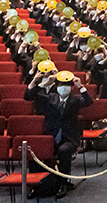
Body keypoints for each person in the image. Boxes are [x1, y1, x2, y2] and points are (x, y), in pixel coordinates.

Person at [24, 71, 92, 199]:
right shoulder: (50, 98)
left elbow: (89, 101)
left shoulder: (75, 100)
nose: (63, 87)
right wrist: (43, 83)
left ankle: (63, 183)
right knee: (36, 151)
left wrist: (80, 86)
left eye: (66, 85)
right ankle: (34, 184)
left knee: (64, 150)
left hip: (69, 138)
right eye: (60, 85)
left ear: (71, 87)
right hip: (51, 136)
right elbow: (28, 96)